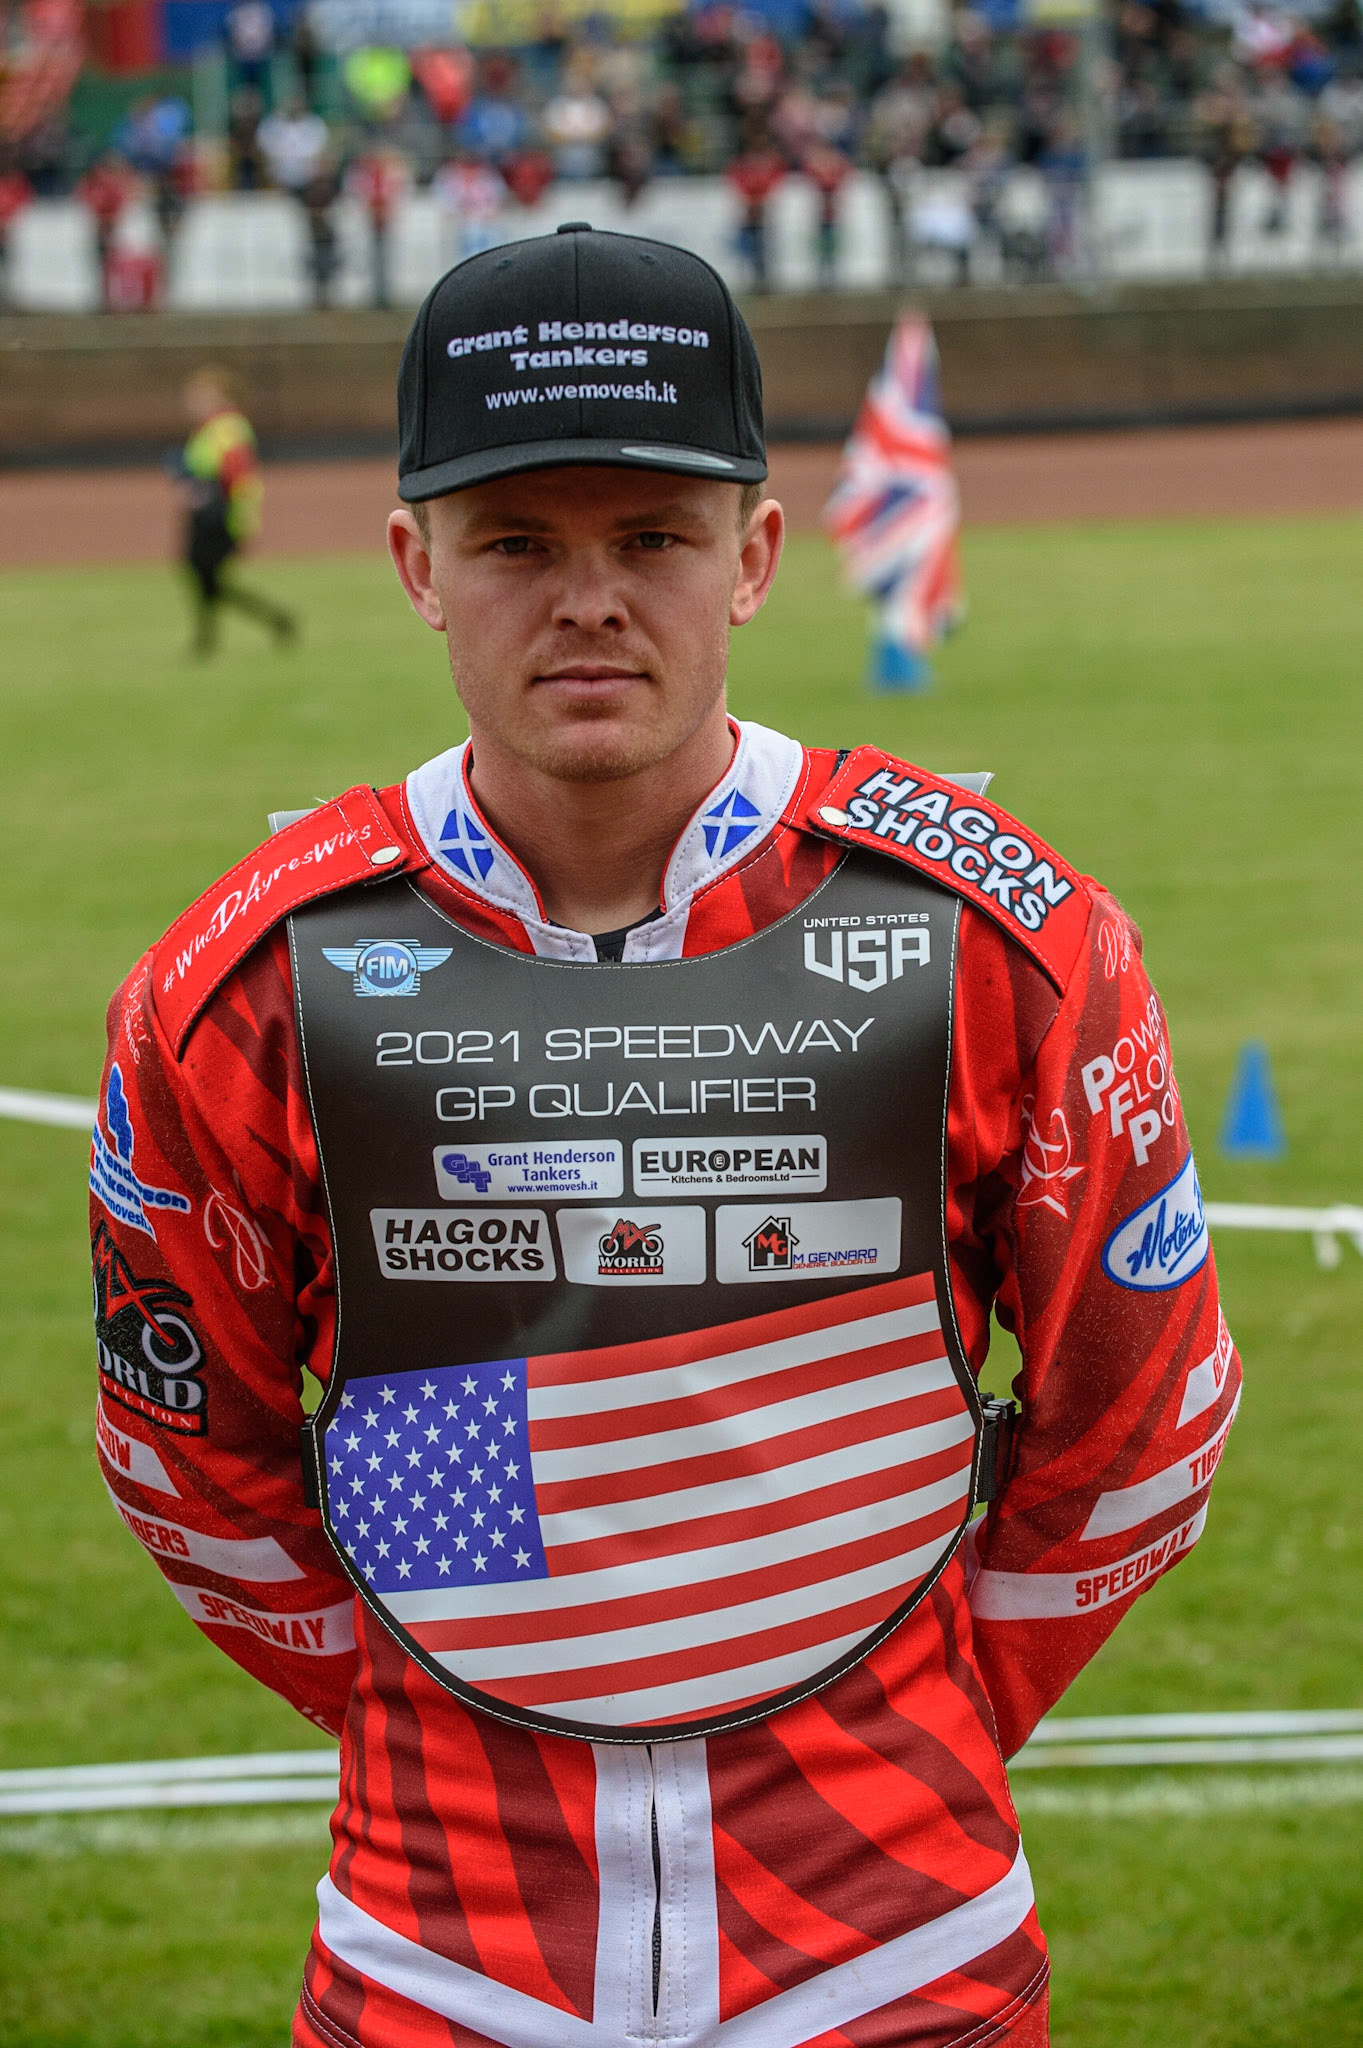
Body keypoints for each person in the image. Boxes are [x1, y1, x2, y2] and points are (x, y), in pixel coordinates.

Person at [96, 225, 1240, 2048]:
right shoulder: (236, 988)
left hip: (901, 1956)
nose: (588, 602)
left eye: (650, 538)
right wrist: (439, 1707)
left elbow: (1143, 1408)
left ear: (754, 554)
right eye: (514, 544)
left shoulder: (1003, 940)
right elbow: (193, 1465)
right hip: (434, 1964)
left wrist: (924, 1700)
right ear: (414, 565)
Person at [173, 366, 296, 655]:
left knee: (205, 574)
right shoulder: (208, 428)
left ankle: (214, 637)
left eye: (200, 396)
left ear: (220, 395)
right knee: (203, 575)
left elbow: (241, 478)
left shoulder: (227, 428)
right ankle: (270, 621)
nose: (192, 402)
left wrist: (243, 521)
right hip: (206, 513)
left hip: (218, 516)